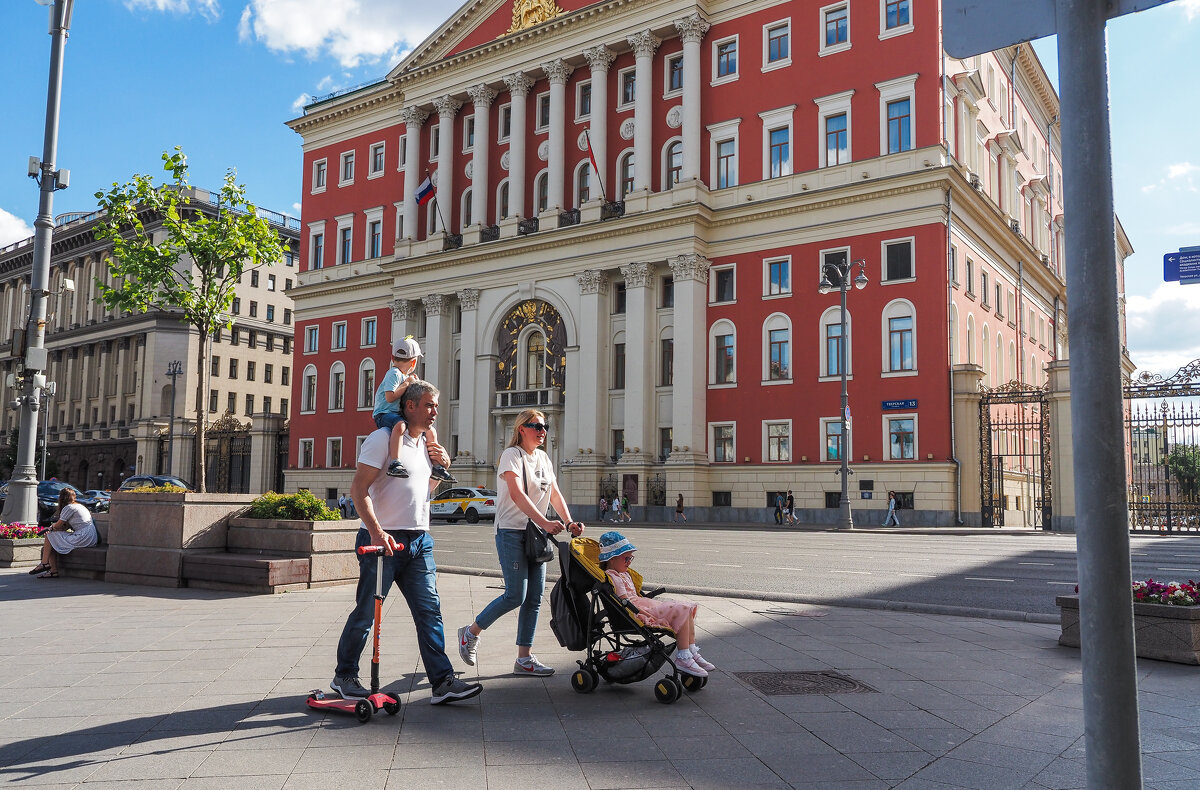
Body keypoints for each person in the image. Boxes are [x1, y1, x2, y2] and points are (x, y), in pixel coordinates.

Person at [333, 380, 481, 705]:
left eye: (436, 406)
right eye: (429, 405)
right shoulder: (382, 439)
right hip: (382, 541)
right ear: (410, 406)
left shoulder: (425, 446)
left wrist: (441, 467)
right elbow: (359, 490)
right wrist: (375, 530)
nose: (435, 412)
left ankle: (442, 682)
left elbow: (423, 492)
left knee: (430, 612)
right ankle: (344, 676)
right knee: (366, 613)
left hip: (418, 540)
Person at [457, 409, 584, 677]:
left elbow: (555, 494)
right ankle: (470, 633)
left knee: (534, 598)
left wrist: (569, 521)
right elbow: (516, 494)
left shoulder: (544, 458)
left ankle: (523, 659)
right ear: (521, 429)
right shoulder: (511, 456)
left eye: (545, 426)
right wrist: (546, 523)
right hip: (511, 532)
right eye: (536, 426)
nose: (542, 431)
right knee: (516, 594)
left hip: (535, 535)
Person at [597, 531, 714, 676]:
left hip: (641, 605)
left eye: (630, 558)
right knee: (682, 609)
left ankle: (690, 651)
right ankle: (684, 657)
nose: (629, 562)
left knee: (686, 609)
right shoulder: (613, 576)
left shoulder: (623, 573)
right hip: (636, 610)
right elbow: (625, 603)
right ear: (612, 559)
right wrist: (648, 615)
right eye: (626, 558)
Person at [373, 336, 455, 483]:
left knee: (431, 431)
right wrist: (407, 383)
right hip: (384, 414)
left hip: (395, 413)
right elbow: (390, 397)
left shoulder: (402, 375)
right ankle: (395, 462)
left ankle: (437, 466)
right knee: (400, 425)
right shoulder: (394, 373)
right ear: (414, 361)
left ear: (392, 357)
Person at [28, 488, 98, 579]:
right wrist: (55, 529)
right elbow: (66, 526)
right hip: (90, 536)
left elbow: (58, 525)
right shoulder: (79, 506)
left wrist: (51, 527)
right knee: (52, 540)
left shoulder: (69, 507)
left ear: (61, 498)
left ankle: (44, 563)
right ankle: (53, 572)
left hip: (83, 536)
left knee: (49, 535)